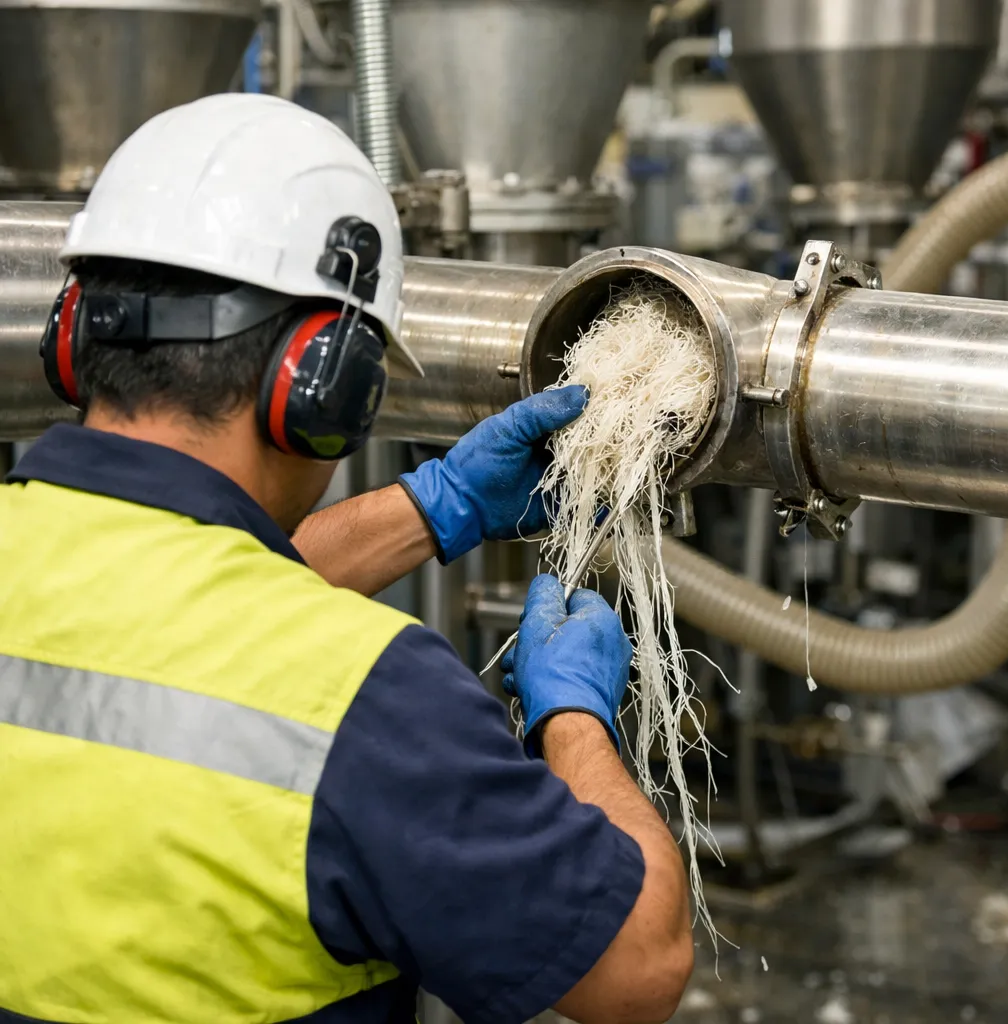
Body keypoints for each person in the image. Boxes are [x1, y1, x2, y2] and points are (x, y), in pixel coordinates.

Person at [0, 94, 692, 1024]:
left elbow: (163, 614)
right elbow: (640, 963)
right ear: (320, 387)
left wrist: (433, 506)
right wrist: (573, 719)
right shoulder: (366, 698)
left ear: (75, 331)